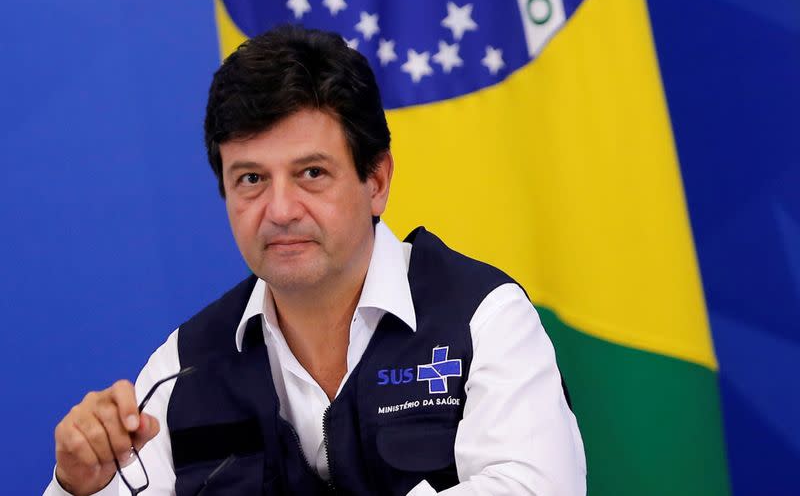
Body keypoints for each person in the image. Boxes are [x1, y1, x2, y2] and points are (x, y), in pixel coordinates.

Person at [45, 25, 586, 496]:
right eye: (251, 179)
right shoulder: (183, 367)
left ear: (376, 181)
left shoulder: (483, 319)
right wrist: (77, 486)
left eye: (311, 174)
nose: (280, 210)